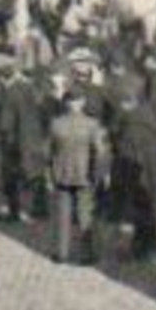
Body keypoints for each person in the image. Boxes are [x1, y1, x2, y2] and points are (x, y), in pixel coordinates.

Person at [110, 79, 156, 260]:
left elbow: (124, 155)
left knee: (135, 214)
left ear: (130, 102)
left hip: (137, 176)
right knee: (152, 211)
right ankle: (152, 244)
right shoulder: (151, 115)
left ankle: (138, 249)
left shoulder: (130, 128)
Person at [49, 91, 107, 265]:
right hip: (85, 175)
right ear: (82, 102)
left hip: (62, 174)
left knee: (63, 215)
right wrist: (99, 174)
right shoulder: (92, 124)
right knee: (85, 215)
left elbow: (49, 151)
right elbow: (100, 152)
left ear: (66, 102)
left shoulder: (56, 123)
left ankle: (62, 253)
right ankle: (86, 255)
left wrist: (51, 172)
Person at [0, 61, 50, 221]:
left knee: (12, 177)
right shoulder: (35, 90)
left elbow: (6, 124)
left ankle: (15, 212)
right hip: (38, 138)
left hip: (17, 142)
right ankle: (40, 209)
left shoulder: (10, 93)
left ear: (3, 79)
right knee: (38, 174)